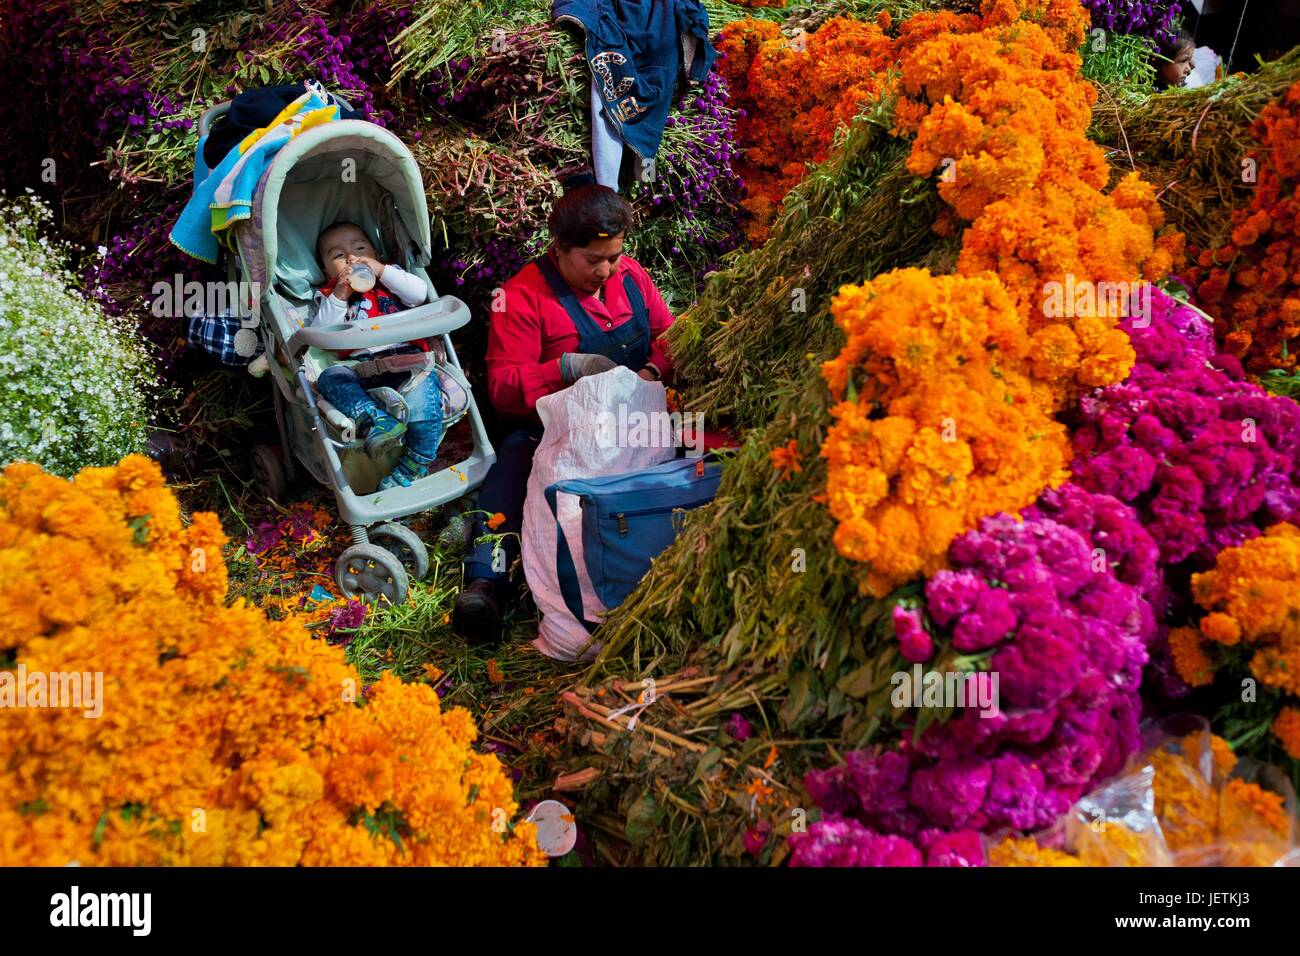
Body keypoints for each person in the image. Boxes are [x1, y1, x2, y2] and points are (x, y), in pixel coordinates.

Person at [451, 170, 677, 644]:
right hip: (551, 431)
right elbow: (503, 388)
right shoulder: (520, 296)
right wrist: (566, 368)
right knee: (513, 472)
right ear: (559, 248)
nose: (606, 271)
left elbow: (670, 336)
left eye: (614, 257)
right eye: (593, 260)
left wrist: (651, 372)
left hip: (633, 420)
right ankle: (487, 582)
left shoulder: (631, 277)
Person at [312, 221, 447, 490]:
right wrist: (340, 294)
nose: (351, 258)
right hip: (360, 368)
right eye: (338, 255)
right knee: (329, 377)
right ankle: (375, 420)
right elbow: (322, 335)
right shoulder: (331, 296)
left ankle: (415, 462)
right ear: (326, 270)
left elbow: (419, 295)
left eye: (360, 249)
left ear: (376, 254)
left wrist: (382, 271)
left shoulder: (392, 279)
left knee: (424, 405)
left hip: (408, 363)